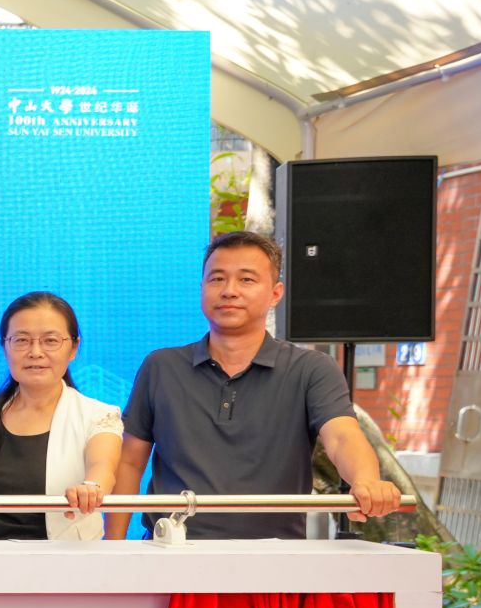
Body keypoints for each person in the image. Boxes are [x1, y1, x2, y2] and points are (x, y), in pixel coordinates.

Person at [105, 230, 400, 540]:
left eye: (246, 280)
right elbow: (130, 460)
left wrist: (366, 480)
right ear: (202, 288)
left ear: (275, 293)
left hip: (275, 556)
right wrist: (113, 546)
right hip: (170, 551)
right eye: (217, 279)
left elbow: (342, 436)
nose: (229, 291)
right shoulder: (161, 366)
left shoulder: (312, 368)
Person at [0, 292, 122, 541]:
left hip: (62, 562)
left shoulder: (98, 415)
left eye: (50, 341)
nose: (35, 352)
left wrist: (92, 489)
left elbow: (103, 467)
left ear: (73, 348)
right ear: (5, 346)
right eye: (21, 340)